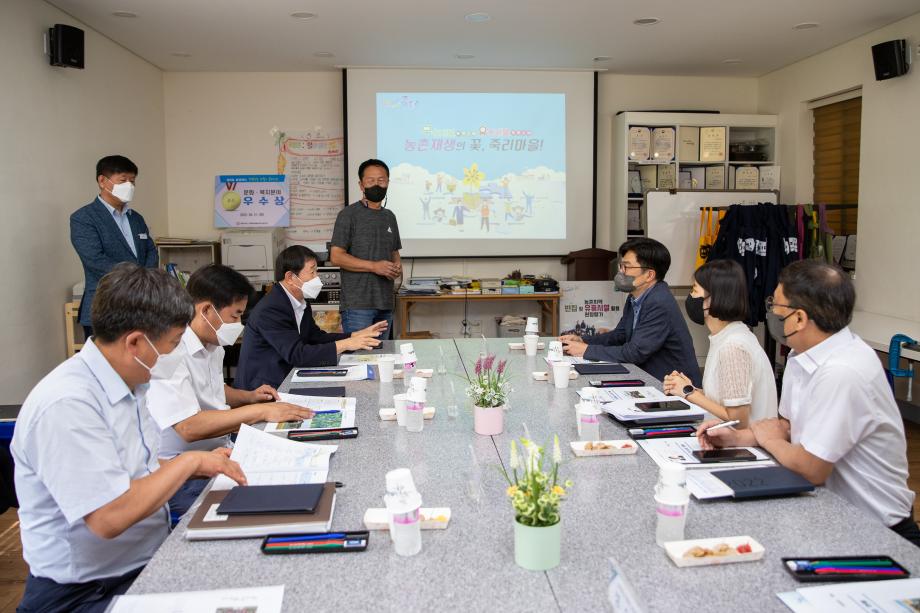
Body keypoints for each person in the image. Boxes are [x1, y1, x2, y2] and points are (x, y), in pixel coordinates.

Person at [12, 263, 246, 612]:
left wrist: (199, 465)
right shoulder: (68, 404)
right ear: (135, 342)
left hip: (140, 564)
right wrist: (189, 462)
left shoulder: (129, 383)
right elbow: (109, 515)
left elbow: (132, 471)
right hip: (84, 592)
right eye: (171, 345)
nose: (173, 356)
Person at [698, 260, 920, 547]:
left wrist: (766, 439)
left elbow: (810, 468)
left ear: (799, 318)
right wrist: (738, 437)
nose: (771, 314)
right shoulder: (800, 355)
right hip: (829, 514)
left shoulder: (843, 371)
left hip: (877, 530)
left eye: (776, 307)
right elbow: (788, 426)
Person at [146, 264, 315, 520]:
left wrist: (248, 397)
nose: (238, 324)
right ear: (205, 310)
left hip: (222, 451)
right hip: (185, 473)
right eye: (235, 316)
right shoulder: (172, 351)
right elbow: (189, 426)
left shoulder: (213, 345)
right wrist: (259, 411)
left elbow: (213, 391)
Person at [235, 245, 386, 390]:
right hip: (263, 388)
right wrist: (347, 344)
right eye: (312, 272)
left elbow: (315, 337)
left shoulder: (301, 301)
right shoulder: (271, 309)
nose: (317, 278)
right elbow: (297, 354)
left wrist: (355, 335)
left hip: (287, 377)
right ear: (290, 277)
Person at [560, 238, 701, 385]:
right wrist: (583, 340)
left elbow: (635, 353)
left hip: (675, 387)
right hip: (649, 377)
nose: (621, 272)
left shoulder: (659, 302)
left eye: (626, 267)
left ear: (649, 275)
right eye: (621, 266)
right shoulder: (635, 296)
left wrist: (586, 350)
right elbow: (620, 335)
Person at [662, 260, 777, 428]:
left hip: (741, 448)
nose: (691, 296)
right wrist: (685, 388)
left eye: (694, 290)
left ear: (714, 299)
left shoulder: (733, 346)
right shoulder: (725, 337)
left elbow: (737, 421)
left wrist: (689, 392)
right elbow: (723, 402)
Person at [71, 155, 159, 339]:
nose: (130, 186)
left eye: (132, 181)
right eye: (123, 180)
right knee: (105, 366)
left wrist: (145, 280)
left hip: (142, 308)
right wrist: (136, 278)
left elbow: (150, 250)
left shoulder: (136, 218)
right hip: (106, 308)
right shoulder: (84, 218)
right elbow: (94, 259)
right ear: (102, 181)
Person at [330, 159, 403, 336]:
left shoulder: (389, 216)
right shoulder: (348, 215)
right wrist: (374, 266)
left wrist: (397, 267)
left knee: (384, 358)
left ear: (387, 183)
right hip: (357, 306)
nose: (376, 185)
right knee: (359, 359)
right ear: (361, 185)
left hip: (385, 303)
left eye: (381, 180)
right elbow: (336, 256)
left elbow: (394, 252)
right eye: (370, 181)